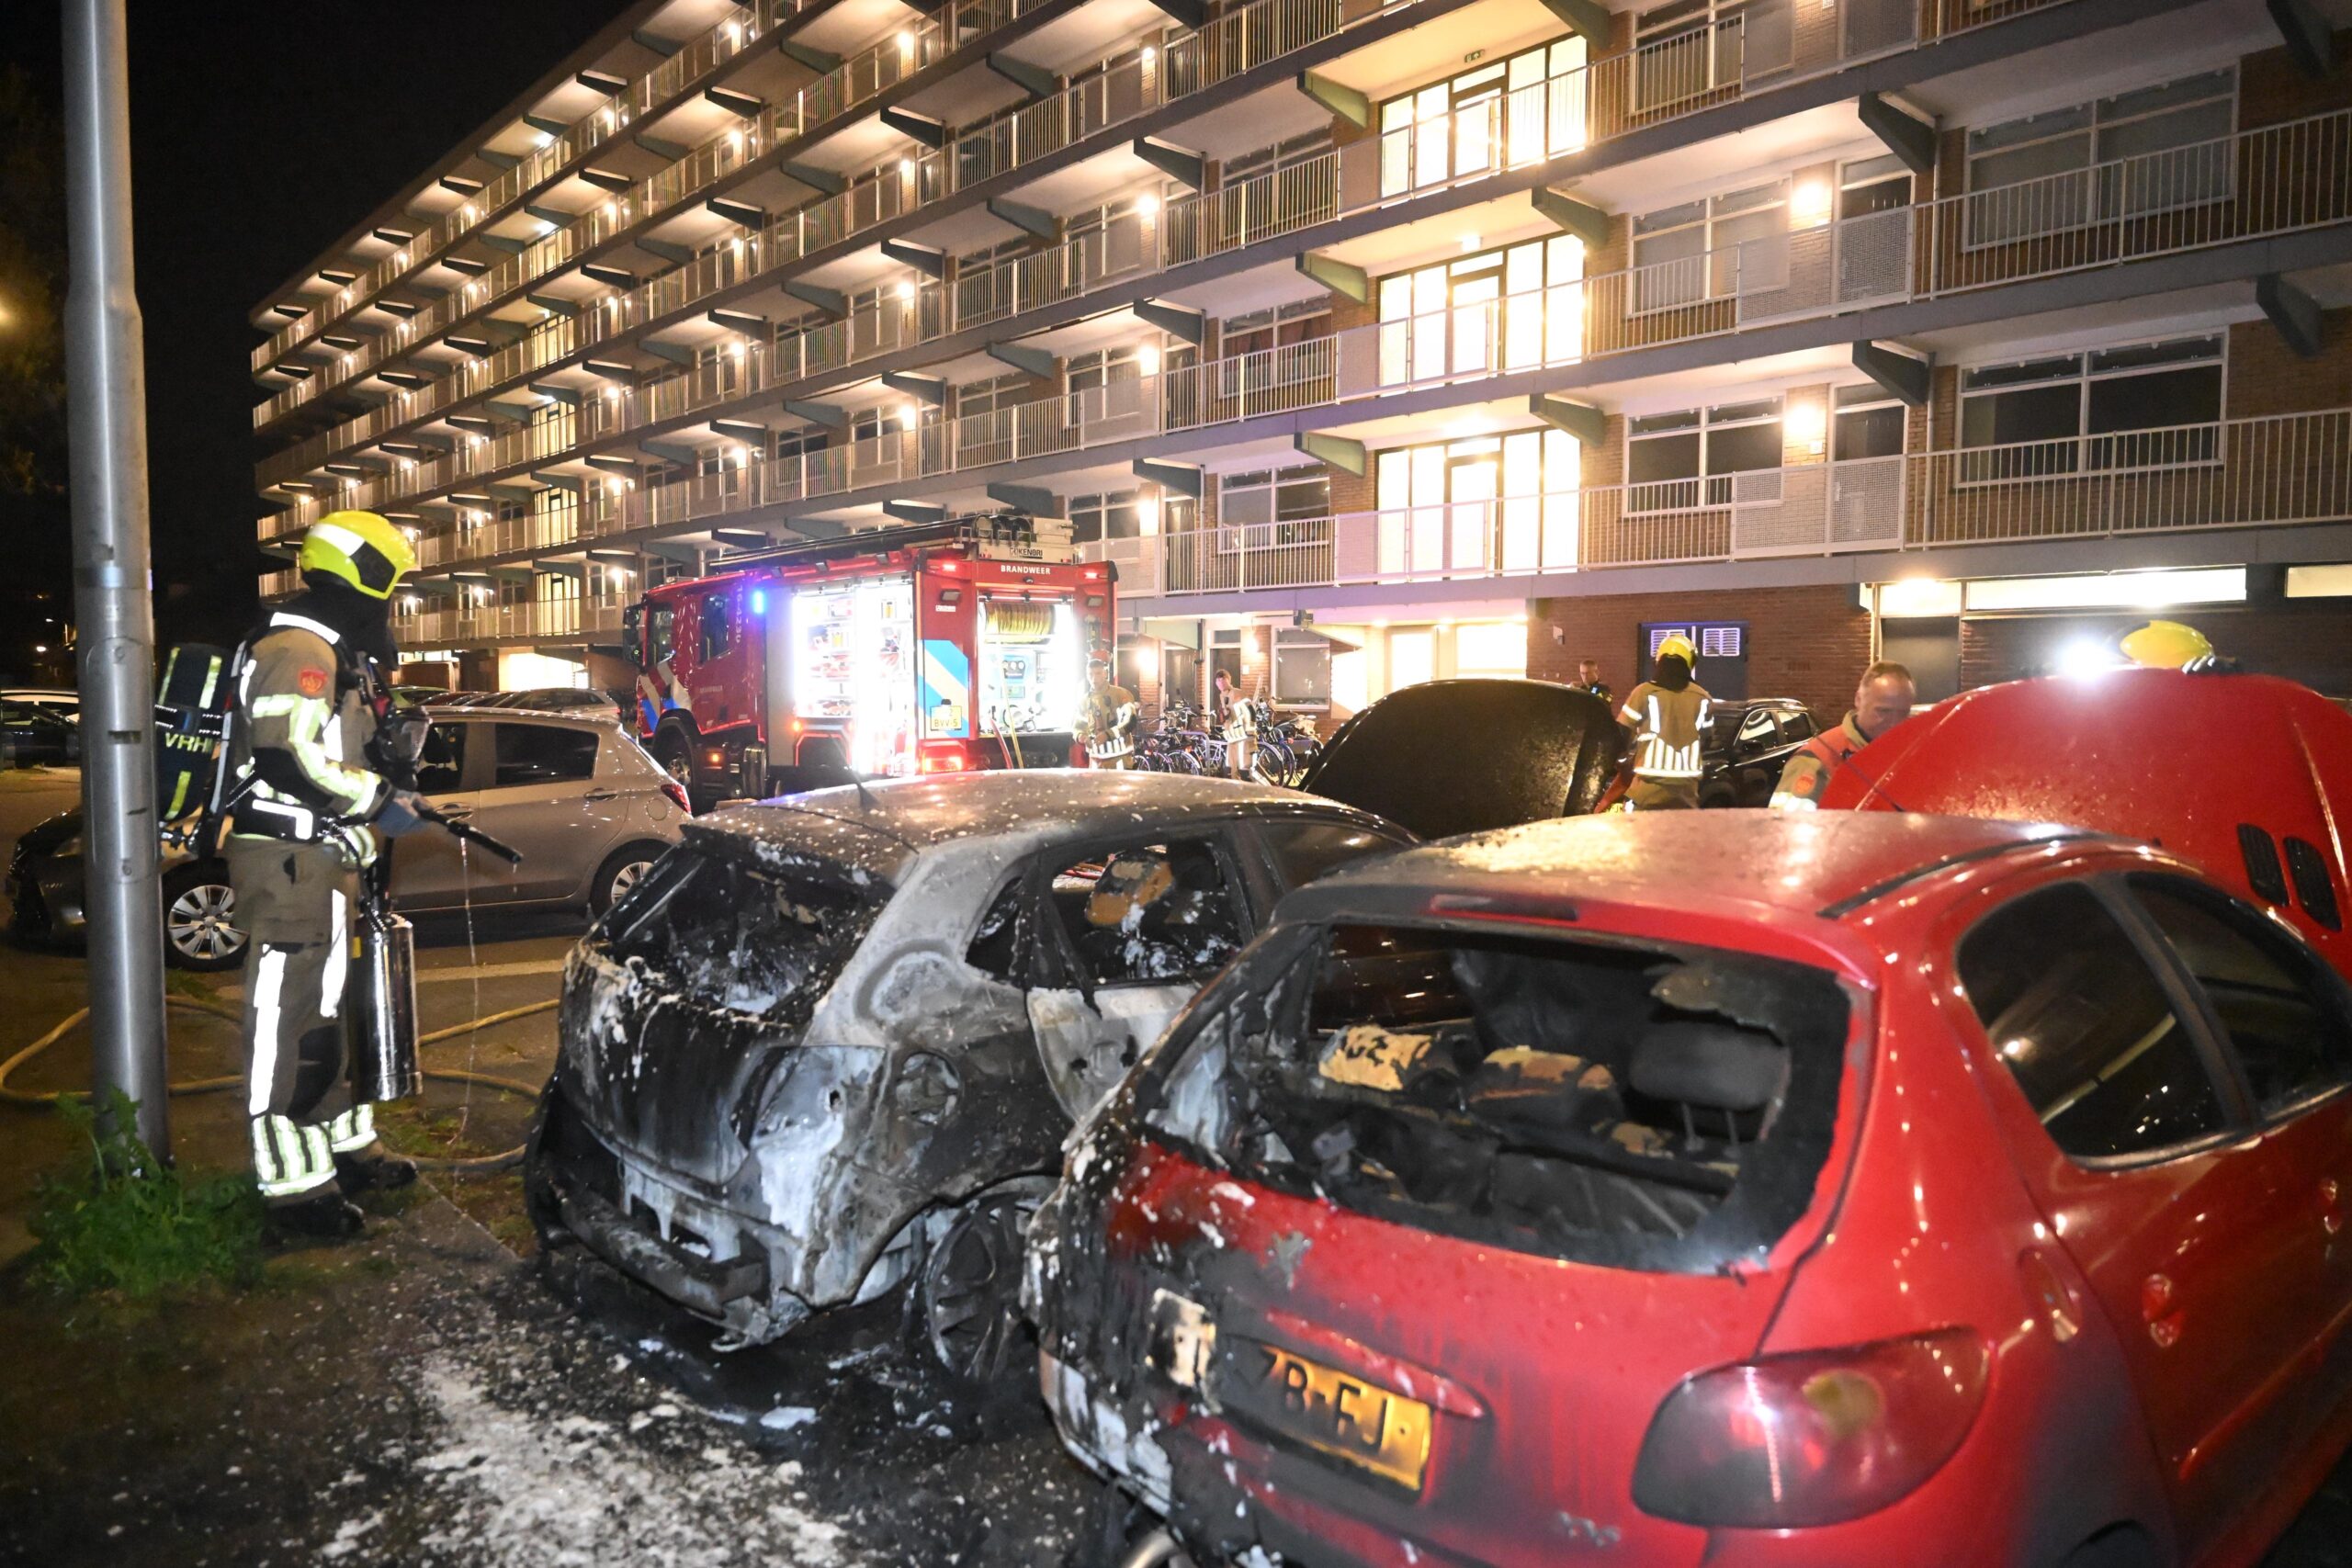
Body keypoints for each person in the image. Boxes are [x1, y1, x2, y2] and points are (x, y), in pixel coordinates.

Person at [223, 510, 432, 1239]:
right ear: (363, 574)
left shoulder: (335, 650)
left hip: (327, 862)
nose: (391, 601)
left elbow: (338, 750)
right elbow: (288, 756)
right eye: (389, 582)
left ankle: (346, 1146)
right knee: (286, 1025)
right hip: (290, 867)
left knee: (334, 1016)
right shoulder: (298, 649)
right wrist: (376, 797)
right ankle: (292, 1188)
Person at [1770, 660, 1917, 810]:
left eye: (1903, 713)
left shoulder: (1910, 754)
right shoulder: (1816, 760)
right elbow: (1786, 822)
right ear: (1858, 699)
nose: (1894, 723)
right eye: (1883, 711)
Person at [1615, 635, 1712, 810]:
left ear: (1659, 661)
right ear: (1690, 663)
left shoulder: (1643, 693)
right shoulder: (1703, 697)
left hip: (1646, 793)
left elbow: (1620, 736)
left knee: (1633, 827)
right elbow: (1707, 741)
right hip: (1686, 795)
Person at [1076, 655, 1138, 769]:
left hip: (1120, 760)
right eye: (1090, 674)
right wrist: (1082, 737)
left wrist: (1108, 735)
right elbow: (1078, 726)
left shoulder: (1121, 694)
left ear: (1105, 674)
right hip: (1096, 762)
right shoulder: (1084, 701)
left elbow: (1131, 720)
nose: (1094, 678)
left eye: (1098, 673)